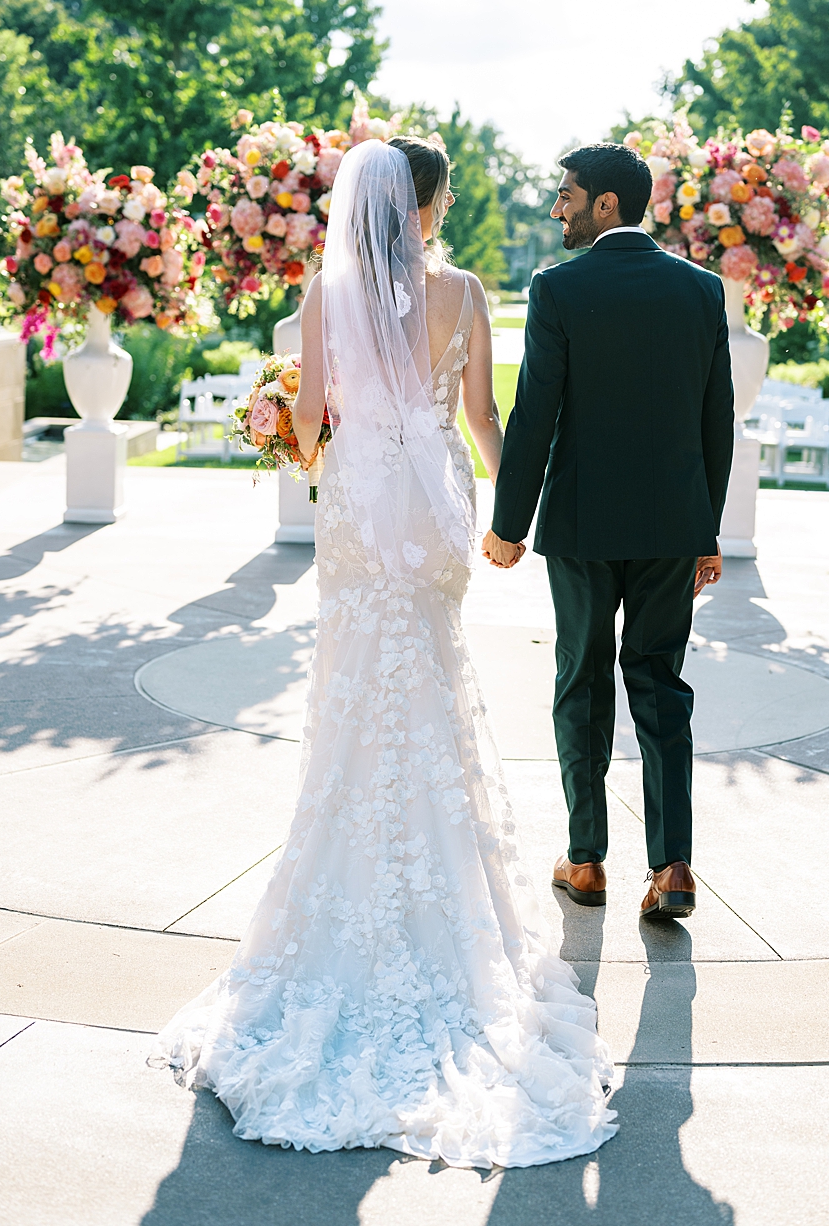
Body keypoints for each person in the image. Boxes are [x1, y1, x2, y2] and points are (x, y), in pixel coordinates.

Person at [154, 137, 617, 1166]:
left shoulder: (329, 297)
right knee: (435, 688)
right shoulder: (463, 291)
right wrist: (513, 513)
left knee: (355, 696)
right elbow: (483, 416)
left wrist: (291, 428)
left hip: (360, 510)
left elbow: (315, 429)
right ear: (427, 203)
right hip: (435, 513)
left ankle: (349, 885)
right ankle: (446, 903)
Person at [483, 143, 732, 922]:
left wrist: (508, 526)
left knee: (581, 683)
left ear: (607, 206)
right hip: (670, 531)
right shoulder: (703, 290)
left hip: (583, 528)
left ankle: (586, 860)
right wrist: (706, 532)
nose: (556, 206)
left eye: (567, 195)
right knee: (661, 688)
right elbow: (716, 420)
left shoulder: (557, 288)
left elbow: (534, 418)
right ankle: (674, 866)